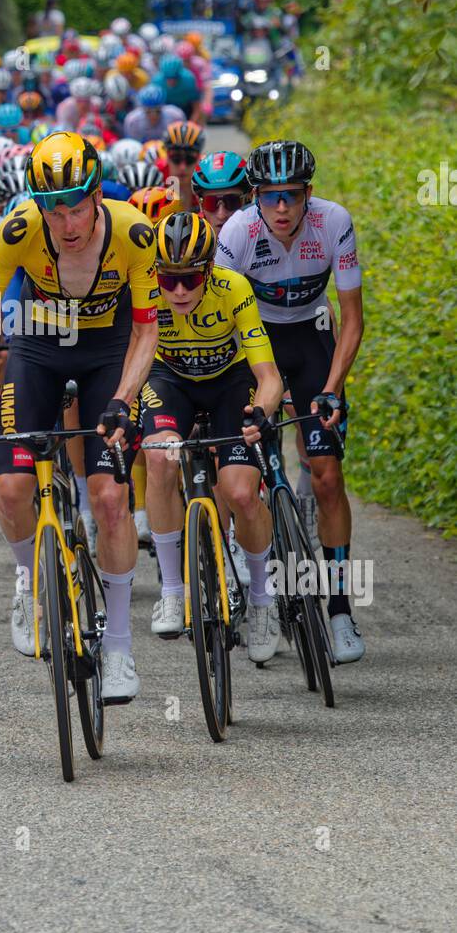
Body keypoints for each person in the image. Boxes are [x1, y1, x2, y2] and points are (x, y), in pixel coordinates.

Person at [0, 131, 159, 703]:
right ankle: (26, 579)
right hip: (37, 348)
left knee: (111, 498)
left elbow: (147, 330)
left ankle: (117, 645)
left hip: (108, 351)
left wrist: (123, 397)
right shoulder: (17, 232)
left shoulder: (134, 232)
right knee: (12, 487)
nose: (67, 223)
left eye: (77, 206)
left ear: (97, 194)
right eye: (54, 209)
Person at [215, 140, 366, 664]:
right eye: (271, 196)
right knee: (249, 467)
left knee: (325, 473)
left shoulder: (334, 222)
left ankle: (341, 608)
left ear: (309, 194)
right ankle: (250, 573)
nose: (282, 208)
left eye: (293, 196)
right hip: (254, 344)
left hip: (312, 341)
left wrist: (331, 386)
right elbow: (218, 315)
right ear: (255, 196)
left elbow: (352, 318)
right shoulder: (236, 233)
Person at [139, 212, 284, 660]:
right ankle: (171, 589)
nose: (179, 291)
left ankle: (262, 599)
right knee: (160, 459)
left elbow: (269, 375)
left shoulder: (233, 288)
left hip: (228, 381)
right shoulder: (142, 290)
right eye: (169, 279)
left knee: (241, 494)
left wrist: (261, 411)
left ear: (209, 270)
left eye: (191, 279)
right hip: (169, 381)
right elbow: (130, 360)